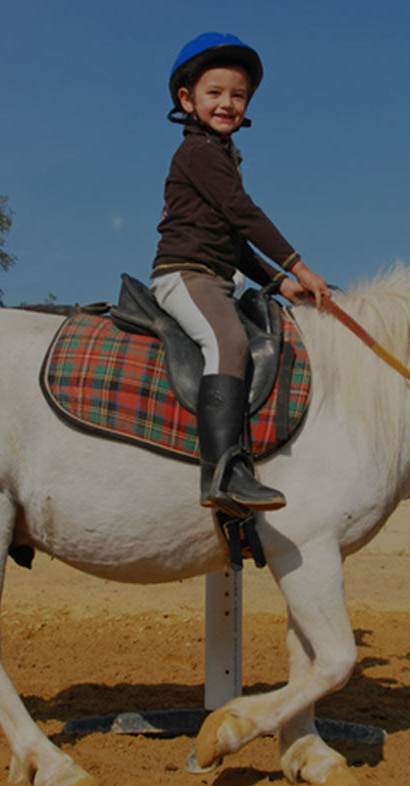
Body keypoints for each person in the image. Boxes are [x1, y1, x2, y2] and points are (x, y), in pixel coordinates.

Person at [152, 32, 332, 516]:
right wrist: (297, 263)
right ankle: (223, 471)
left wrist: (281, 283)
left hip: (215, 274)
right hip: (184, 274)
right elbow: (242, 213)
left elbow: (234, 241)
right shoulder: (197, 153)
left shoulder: (222, 154)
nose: (228, 103)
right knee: (228, 342)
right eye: (215, 93)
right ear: (187, 100)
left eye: (238, 95)